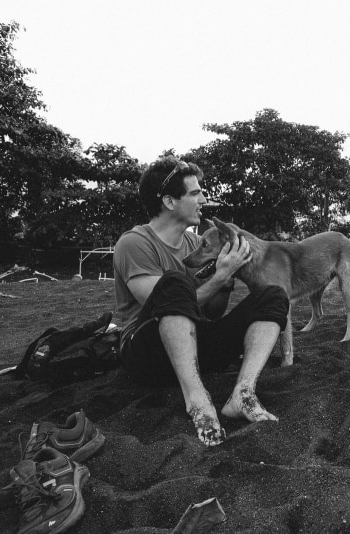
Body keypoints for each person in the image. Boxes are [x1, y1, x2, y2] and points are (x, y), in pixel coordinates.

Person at [113, 157, 289, 447]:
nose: (204, 199)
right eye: (195, 193)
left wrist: (229, 276)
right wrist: (220, 276)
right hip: (147, 351)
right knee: (174, 282)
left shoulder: (198, 245)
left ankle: (243, 393)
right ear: (169, 201)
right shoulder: (134, 243)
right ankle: (196, 398)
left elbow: (212, 311)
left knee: (272, 294)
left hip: (197, 348)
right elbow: (162, 304)